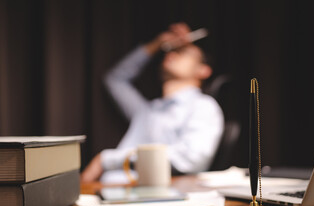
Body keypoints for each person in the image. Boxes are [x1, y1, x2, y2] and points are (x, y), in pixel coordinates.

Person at [81, 23, 224, 183]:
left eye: (183, 53)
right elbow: (115, 78)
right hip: (108, 191)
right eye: (171, 51)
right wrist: (157, 43)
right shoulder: (147, 109)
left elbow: (191, 158)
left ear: (203, 70)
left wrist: (106, 159)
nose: (172, 54)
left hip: (153, 196)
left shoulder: (203, 106)